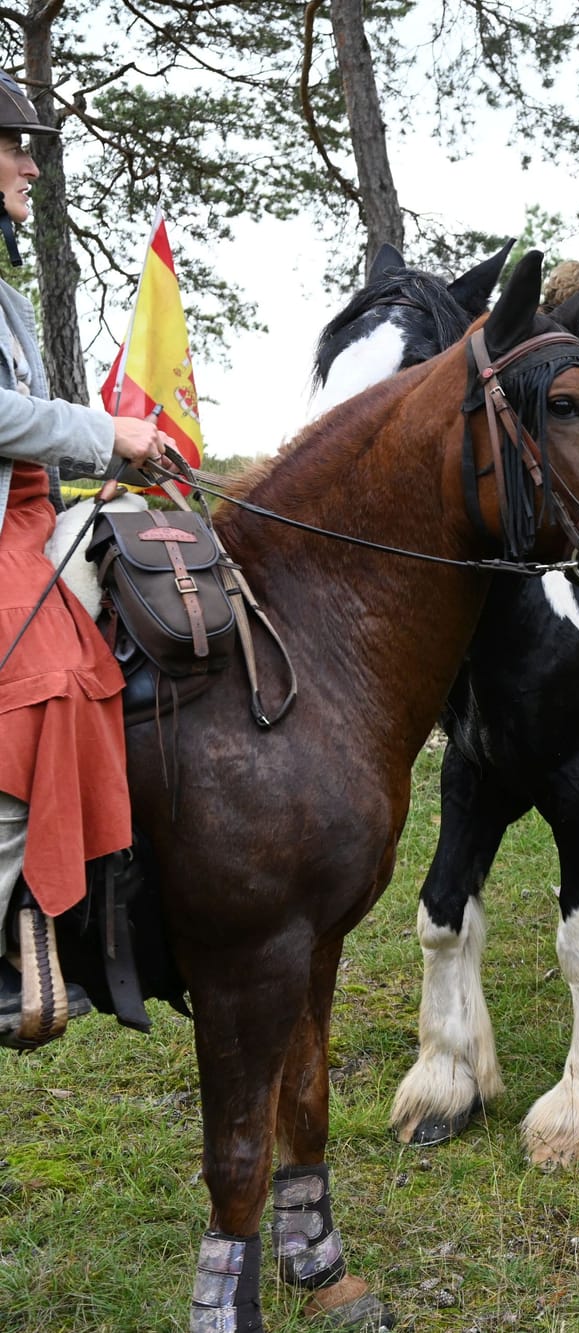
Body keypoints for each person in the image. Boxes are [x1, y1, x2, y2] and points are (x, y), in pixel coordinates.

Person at [0, 73, 177, 1044]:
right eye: (14, 145)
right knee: (46, 681)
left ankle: (65, 922)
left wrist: (81, 489)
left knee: (96, 669)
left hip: (28, 520)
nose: (30, 163)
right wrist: (105, 433)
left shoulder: (9, 303)